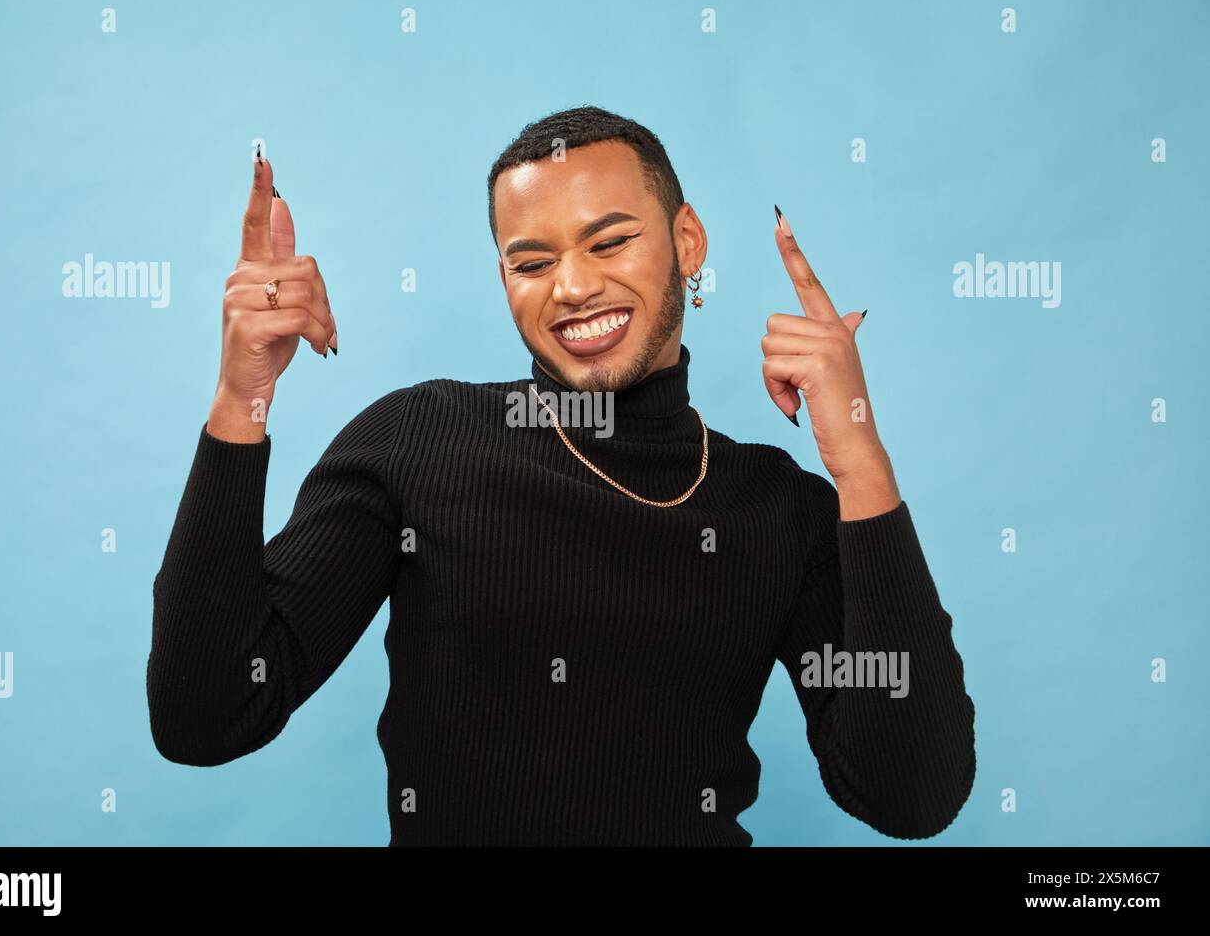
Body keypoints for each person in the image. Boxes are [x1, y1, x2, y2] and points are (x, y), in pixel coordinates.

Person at [148, 105, 976, 846]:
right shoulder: (417, 441)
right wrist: (241, 397)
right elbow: (207, 716)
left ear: (688, 240)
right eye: (531, 261)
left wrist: (857, 460)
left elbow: (914, 798)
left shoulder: (777, 507)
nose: (576, 287)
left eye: (611, 240)